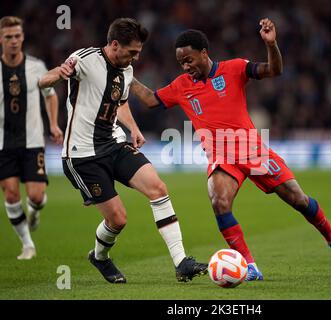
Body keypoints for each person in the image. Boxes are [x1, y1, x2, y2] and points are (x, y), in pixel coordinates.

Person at [130, 18, 331, 281]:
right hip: (222, 157)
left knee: (299, 199)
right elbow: (149, 100)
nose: (186, 66)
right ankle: (249, 266)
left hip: (253, 151)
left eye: (189, 59)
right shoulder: (182, 85)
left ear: (204, 52)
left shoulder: (234, 68)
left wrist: (271, 45)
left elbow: (274, 70)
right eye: (181, 62)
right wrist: (127, 75)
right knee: (219, 201)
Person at [39, 18, 207, 284]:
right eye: (132, 52)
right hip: (82, 155)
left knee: (158, 188)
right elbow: (44, 81)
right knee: (118, 219)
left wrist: (134, 129)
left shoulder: (125, 70)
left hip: (113, 143)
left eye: (138, 52)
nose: (136, 58)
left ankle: (181, 262)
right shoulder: (83, 59)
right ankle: (100, 257)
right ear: (114, 44)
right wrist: (57, 73)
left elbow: (121, 102)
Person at [0, 16, 63, 260]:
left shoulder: (36, 66)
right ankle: (27, 244)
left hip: (33, 141)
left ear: (23, 37)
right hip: (4, 144)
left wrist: (54, 125)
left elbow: (50, 95)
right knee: (12, 194)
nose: (14, 41)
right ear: (1, 39)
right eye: (8, 37)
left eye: (17, 36)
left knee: (36, 196)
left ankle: (34, 212)